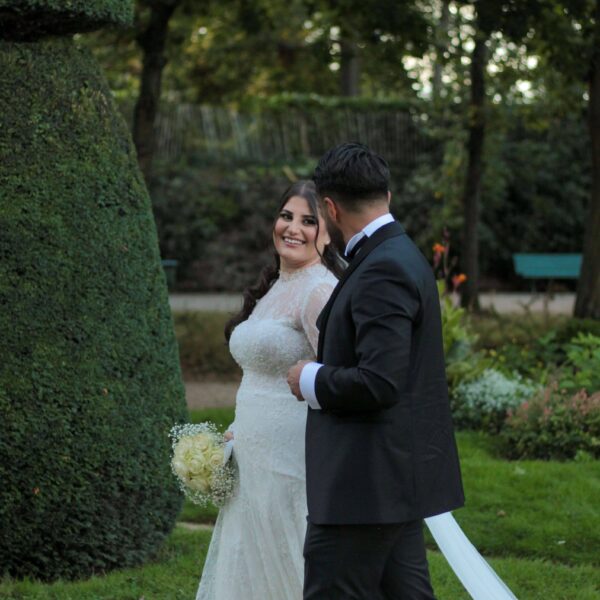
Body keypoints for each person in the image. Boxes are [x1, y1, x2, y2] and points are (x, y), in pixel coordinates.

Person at [287, 142, 517, 600]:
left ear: (329, 207)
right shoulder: (399, 253)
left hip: (363, 487)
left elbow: (380, 381)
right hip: (392, 482)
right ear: (386, 196)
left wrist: (308, 378)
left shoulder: (382, 268)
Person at [195, 180, 342, 599]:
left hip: (293, 454)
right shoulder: (274, 285)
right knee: (247, 555)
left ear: (329, 233)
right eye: (286, 216)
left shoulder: (319, 290)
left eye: (309, 221)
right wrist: (236, 431)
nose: (292, 228)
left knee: (289, 554)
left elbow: (335, 376)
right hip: (251, 453)